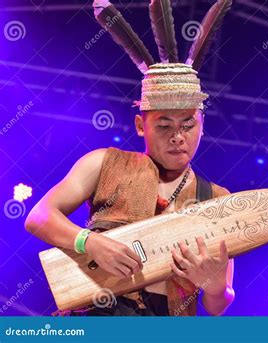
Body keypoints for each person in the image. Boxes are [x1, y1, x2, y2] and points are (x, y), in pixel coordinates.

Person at [24, 0, 234, 316]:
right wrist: (88, 243)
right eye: (164, 125)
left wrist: (216, 286)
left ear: (202, 126)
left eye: (188, 124)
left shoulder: (219, 201)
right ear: (140, 125)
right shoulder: (104, 163)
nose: (178, 136)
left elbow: (217, 306)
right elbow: (39, 217)